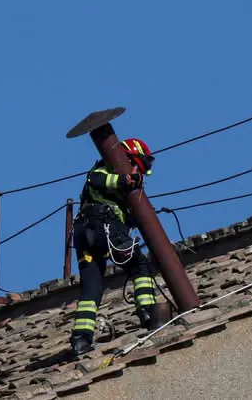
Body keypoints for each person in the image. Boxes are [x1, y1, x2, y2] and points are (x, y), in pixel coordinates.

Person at [69, 138, 161, 357]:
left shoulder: (110, 185)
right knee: (140, 264)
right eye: (139, 166)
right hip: (103, 226)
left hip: (84, 234)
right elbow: (97, 179)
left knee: (92, 287)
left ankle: (81, 339)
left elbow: (121, 210)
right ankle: (149, 313)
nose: (139, 172)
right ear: (131, 157)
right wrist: (125, 179)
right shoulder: (105, 169)